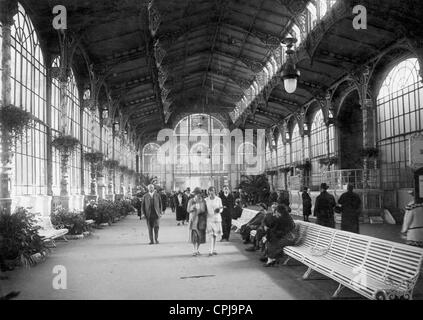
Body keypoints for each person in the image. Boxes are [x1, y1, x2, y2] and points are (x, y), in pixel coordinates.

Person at [187, 187, 207, 256]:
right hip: (193, 220)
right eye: (196, 193)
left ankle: (197, 249)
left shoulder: (203, 201)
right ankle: (194, 250)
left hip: (201, 220)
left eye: (199, 193)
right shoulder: (191, 201)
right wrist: (192, 208)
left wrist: (199, 210)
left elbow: (204, 210)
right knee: (194, 236)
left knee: (200, 237)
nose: (198, 195)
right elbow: (188, 210)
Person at [205, 186, 223, 256]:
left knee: (215, 235)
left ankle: (214, 249)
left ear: (215, 191)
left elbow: (221, 208)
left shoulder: (218, 199)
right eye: (210, 191)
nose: (212, 192)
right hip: (209, 219)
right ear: (208, 191)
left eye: (213, 190)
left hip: (217, 219)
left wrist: (219, 210)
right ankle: (211, 250)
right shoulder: (206, 200)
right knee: (211, 235)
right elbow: (204, 209)